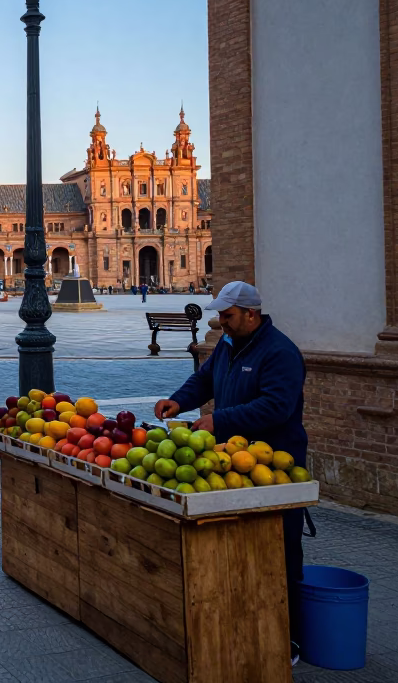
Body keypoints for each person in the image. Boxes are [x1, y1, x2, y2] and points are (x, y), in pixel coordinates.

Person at [153, 281, 307, 665]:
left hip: (274, 466)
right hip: (231, 460)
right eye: (220, 316)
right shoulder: (227, 344)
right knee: (238, 548)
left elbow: (276, 408)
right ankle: (242, 628)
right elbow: (204, 380)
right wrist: (178, 400)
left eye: (227, 315)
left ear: (251, 314)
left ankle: (288, 638)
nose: (220, 323)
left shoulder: (280, 353)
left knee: (277, 551)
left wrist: (217, 419)